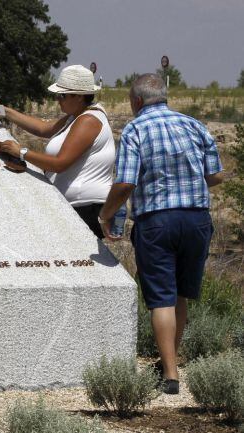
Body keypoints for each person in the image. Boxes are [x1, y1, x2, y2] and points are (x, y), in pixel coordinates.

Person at [98, 73, 224, 394]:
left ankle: (170, 376)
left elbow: (125, 182)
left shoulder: (135, 130)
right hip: (197, 218)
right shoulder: (195, 125)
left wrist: (108, 213)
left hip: (157, 221)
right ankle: (172, 361)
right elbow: (216, 174)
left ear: (137, 101)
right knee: (180, 293)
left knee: (161, 299)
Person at [0, 64, 115, 238]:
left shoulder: (87, 120)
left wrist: (21, 152)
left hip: (84, 207)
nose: (58, 100)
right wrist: (4, 111)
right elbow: (44, 129)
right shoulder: (78, 115)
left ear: (78, 97)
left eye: (62, 95)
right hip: (78, 205)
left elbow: (60, 164)